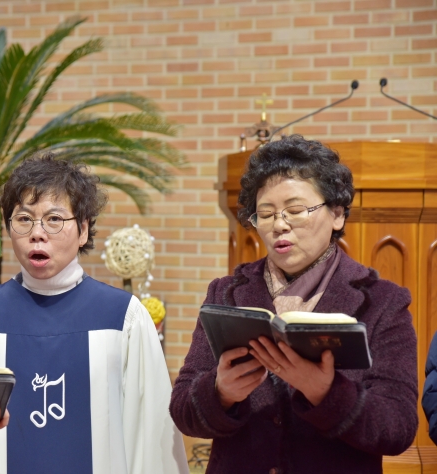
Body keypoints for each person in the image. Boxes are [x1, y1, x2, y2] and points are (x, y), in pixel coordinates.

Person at [170, 135, 418, 474]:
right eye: (266, 214)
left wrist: (326, 393)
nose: (279, 225)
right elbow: (182, 411)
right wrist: (220, 392)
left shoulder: (383, 302)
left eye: (296, 211)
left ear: (337, 214)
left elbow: (398, 428)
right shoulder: (225, 293)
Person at [0, 154, 189, 474]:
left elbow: (152, 438)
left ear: (83, 229)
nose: (37, 233)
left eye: (54, 219)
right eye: (24, 219)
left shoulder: (124, 319)